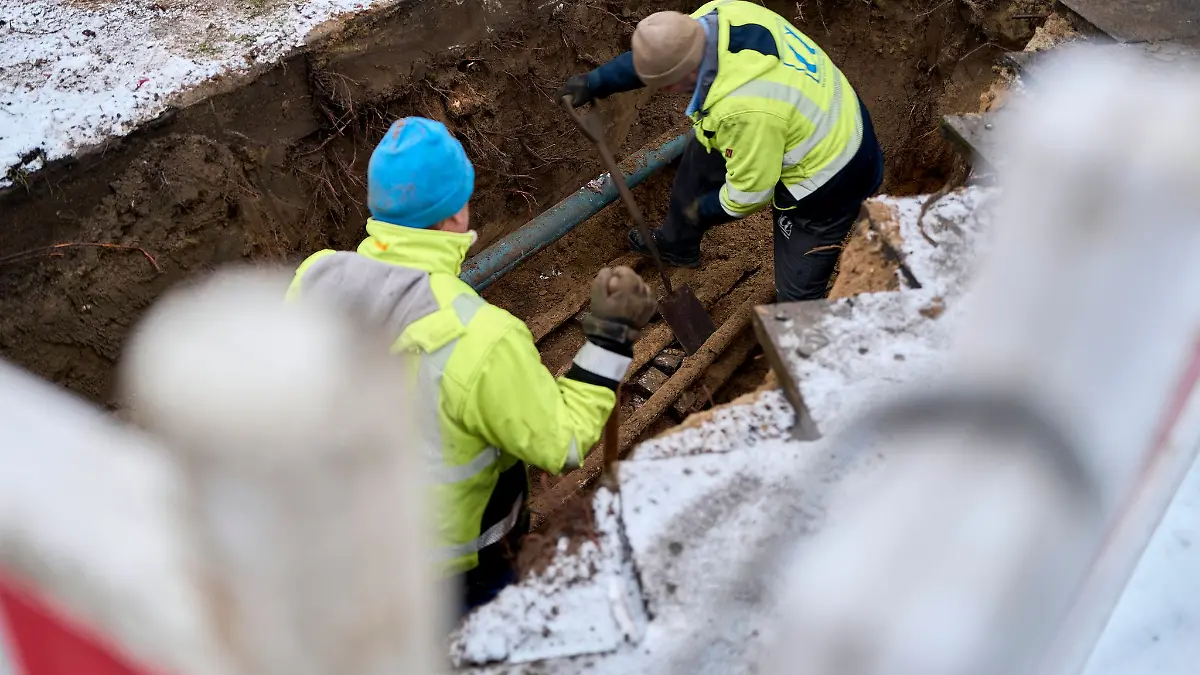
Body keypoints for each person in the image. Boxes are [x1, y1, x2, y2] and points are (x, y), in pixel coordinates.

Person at [286, 117, 656, 614]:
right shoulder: (479, 336)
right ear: (457, 213)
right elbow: (562, 442)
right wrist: (610, 340)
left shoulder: (314, 278)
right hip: (454, 572)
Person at [557, 0, 884, 302]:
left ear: (679, 78)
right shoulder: (714, 17)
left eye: (664, 84)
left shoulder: (744, 109)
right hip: (816, 110)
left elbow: (750, 193)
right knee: (699, 158)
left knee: (797, 292)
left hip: (834, 174)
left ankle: (804, 336)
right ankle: (677, 243)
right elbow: (659, 57)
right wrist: (596, 81)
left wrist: (703, 210)